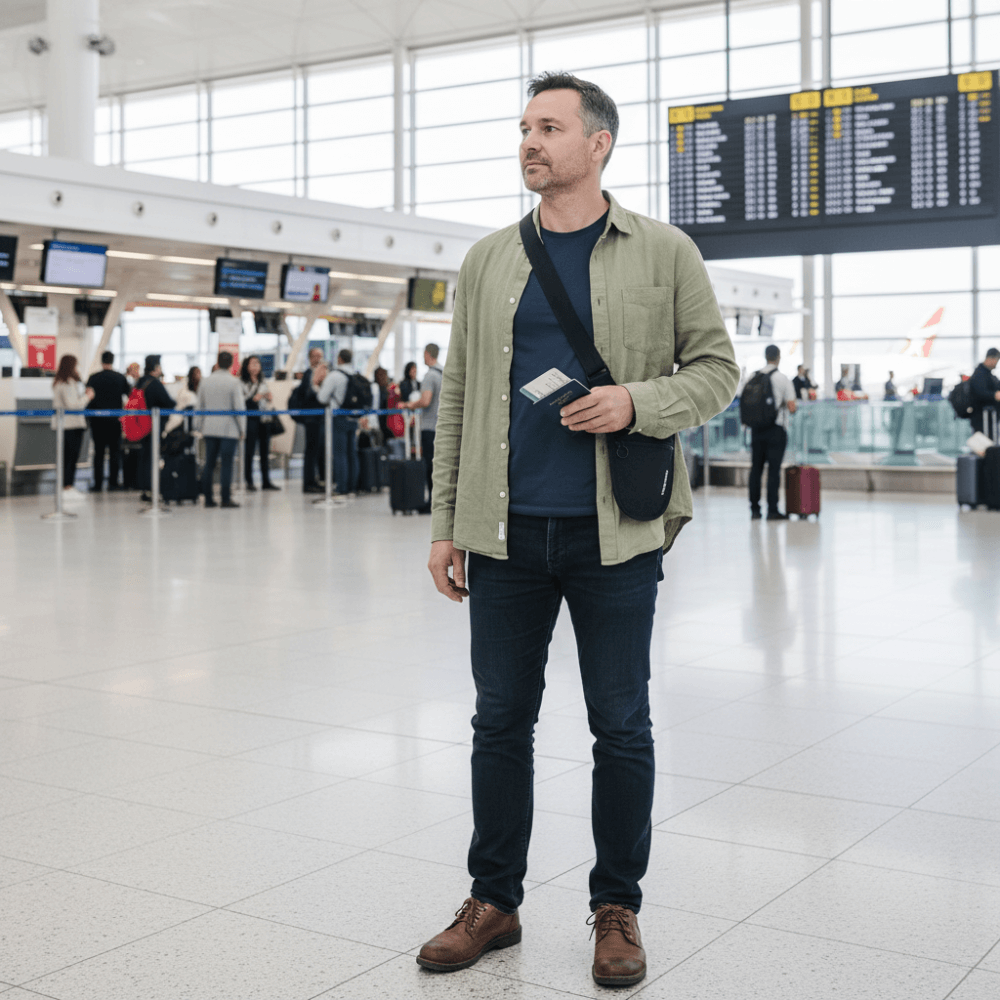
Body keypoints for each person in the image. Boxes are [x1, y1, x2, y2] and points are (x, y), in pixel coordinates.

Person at [418, 72, 739, 986]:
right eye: (524, 127)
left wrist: (636, 401)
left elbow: (715, 371)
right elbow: (459, 399)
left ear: (598, 144)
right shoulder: (488, 260)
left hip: (617, 534)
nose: (530, 142)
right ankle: (494, 900)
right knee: (499, 724)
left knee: (621, 725)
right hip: (505, 531)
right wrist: (445, 523)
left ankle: (616, 908)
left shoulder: (664, 252)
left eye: (549, 128)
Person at [748, 344, 797, 521]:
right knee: (773, 470)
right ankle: (773, 510)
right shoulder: (782, 378)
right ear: (778, 357)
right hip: (775, 429)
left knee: (756, 469)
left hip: (756, 429)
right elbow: (792, 407)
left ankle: (754, 509)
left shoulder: (753, 376)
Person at [196, 351, 246, 508]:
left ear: (217, 362)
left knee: (209, 463)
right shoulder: (234, 382)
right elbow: (239, 407)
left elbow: (199, 406)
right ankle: (225, 498)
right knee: (226, 464)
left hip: (209, 428)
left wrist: (198, 426)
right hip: (229, 429)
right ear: (231, 364)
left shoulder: (205, 381)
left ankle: (208, 499)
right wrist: (242, 428)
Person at [402, 344, 443, 513]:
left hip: (429, 427)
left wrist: (409, 404)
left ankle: (431, 502)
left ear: (427, 354)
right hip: (443, 426)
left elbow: (425, 401)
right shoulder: (445, 373)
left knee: (430, 465)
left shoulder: (430, 375)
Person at [316, 348, 362, 497]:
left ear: (340, 359)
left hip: (338, 417)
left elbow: (322, 398)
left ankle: (342, 487)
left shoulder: (335, 375)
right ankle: (352, 487)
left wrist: (317, 385)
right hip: (353, 417)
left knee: (340, 453)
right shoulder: (355, 374)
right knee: (352, 453)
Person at [85, 350, 130, 491]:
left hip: (97, 422)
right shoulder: (120, 378)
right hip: (115, 421)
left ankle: (97, 484)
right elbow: (129, 396)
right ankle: (113, 483)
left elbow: (88, 397)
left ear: (101, 360)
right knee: (115, 453)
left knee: (98, 453)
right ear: (113, 360)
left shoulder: (93, 378)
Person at [51, 354, 94, 500]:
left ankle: (66, 486)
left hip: (66, 425)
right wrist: (88, 396)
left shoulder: (60, 382)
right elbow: (73, 405)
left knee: (66, 458)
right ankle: (67, 487)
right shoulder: (67, 383)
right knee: (70, 458)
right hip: (71, 425)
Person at [135, 355, 176, 502]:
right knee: (152, 458)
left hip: (141, 425)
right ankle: (151, 489)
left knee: (145, 456)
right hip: (154, 425)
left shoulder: (140, 382)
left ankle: (145, 489)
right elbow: (169, 402)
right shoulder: (155, 384)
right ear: (156, 368)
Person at [240, 355, 279, 491]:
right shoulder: (242, 383)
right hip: (250, 419)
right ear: (246, 366)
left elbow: (267, 397)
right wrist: (254, 398)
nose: (256, 366)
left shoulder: (263, 381)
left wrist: (268, 397)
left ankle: (266, 481)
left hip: (264, 419)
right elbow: (242, 402)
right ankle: (249, 481)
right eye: (253, 364)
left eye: (257, 363)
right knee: (249, 451)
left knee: (264, 452)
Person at [298, 346, 326, 493]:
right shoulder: (309, 374)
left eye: (320, 356)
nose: (318, 359)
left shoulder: (321, 373)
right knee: (311, 451)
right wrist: (316, 385)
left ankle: (317, 479)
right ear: (310, 358)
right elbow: (308, 395)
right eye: (315, 356)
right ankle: (308, 483)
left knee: (318, 451)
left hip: (319, 418)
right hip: (311, 419)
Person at [968, 348, 1000, 435]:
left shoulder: (989, 375)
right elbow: (980, 393)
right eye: (997, 360)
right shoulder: (979, 374)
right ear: (991, 359)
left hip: (990, 418)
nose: (996, 364)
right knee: (983, 445)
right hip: (982, 418)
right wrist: (994, 395)